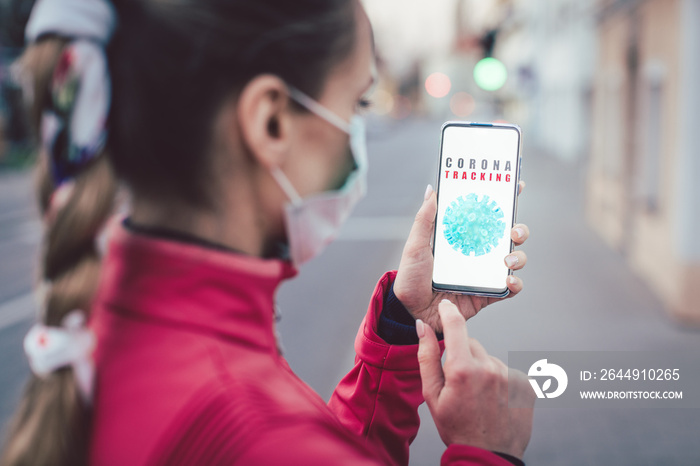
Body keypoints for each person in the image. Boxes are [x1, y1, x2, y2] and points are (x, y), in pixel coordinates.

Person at [1, 0, 536, 465]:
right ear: (271, 122)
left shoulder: (102, 317)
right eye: (357, 104)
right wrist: (485, 451)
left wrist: (401, 325)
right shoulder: (249, 427)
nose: (355, 138)